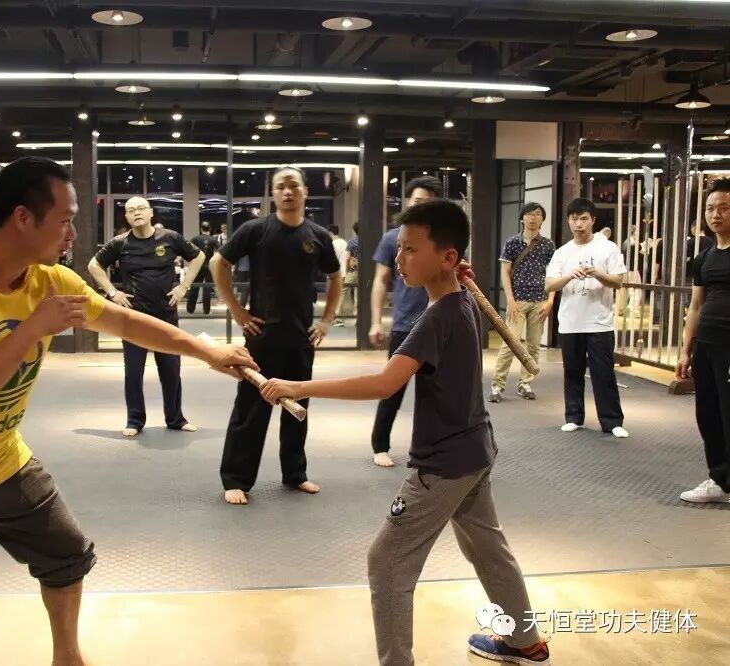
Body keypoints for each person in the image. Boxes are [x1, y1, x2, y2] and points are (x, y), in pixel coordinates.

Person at [0, 157, 255, 666]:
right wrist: (33, 328)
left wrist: (206, 351)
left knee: (66, 557)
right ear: (22, 217)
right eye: (64, 220)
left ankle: (68, 658)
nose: (72, 234)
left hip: (0, 459)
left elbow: (126, 323)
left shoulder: (52, 280)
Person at [260, 199, 548, 666]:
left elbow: (384, 384)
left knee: (387, 561)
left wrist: (298, 386)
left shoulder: (436, 318)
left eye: (411, 249)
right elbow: (448, 292)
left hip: (444, 465)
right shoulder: (464, 299)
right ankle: (525, 642)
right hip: (476, 450)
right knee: (488, 549)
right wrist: (457, 275)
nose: (399, 259)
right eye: (399, 248)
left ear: (448, 257)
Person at [210, 167, 342, 505]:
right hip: (262, 337)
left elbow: (336, 277)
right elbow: (218, 264)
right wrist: (237, 311)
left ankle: (295, 474)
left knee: (297, 409)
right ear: (273, 193)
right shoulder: (255, 230)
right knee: (250, 411)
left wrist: (326, 321)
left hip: (301, 339)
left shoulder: (318, 236)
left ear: (305, 191)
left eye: (293, 185)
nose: (287, 191)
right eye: (280, 186)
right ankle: (236, 479)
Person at [88, 197, 207, 438]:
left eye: (141, 208)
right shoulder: (120, 243)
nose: (137, 213)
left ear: (151, 213)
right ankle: (134, 420)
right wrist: (112, 293)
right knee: (133, 373)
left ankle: (176, 418)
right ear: (126, 217)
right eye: (131, 210)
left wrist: (183, 287)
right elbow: (94, 265)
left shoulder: (170, 238)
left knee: (171, 371)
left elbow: (199, 256)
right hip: (134, 319)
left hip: (166, 316)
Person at [367, 176, 441, 467]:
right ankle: (380, 445)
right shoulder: (392, 238)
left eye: (428, 203)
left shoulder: (441, 239)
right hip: (405, 327)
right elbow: (380, 280)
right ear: (408, 202)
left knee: (436, 393)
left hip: (438, 325)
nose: (422, 207)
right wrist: (376, 322)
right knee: (392, 389)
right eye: (417, 201)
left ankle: (431, 448)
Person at [545, 198, 630, 438]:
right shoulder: (562, 252)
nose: (579, 224)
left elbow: (618, 281)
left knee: (603, 373)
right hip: (570, 322)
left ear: (593, 220)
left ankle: (612, 421)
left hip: (599, 322)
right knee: (572, 372)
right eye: (574, 219)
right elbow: (549, 284)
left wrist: (597, 274)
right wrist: (569, 276)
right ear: (568, 221)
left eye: (583, 219)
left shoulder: (608, 248)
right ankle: (573, 417)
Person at [677, 178, 730, 504]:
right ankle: (719, 480)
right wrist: (686, 351)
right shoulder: (705, 257)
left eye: (724, 208)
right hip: (706, 347)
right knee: (708, 415)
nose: (716, 215)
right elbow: (695, 306)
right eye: (711, 209)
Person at [490, 203, 556, 402]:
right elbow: (505, 272)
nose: (533, 218)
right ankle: (497, 385)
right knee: (510, 344)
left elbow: (554, 274)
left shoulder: (548, 245)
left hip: (540, 301)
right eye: (529, 214)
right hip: (517, 301)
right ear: (522, 218)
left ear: (542, 219)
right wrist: (509, 299)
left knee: (533, 346)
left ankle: (525, 383)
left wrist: (550, 301)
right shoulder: (512, 242)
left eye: (537, 214)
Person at [187, 221, 220, 314]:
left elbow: (189, 251)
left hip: (197, 265)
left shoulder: (195, 239)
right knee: (207, 288)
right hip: (209, 265)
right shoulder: (213, 240)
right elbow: (219, 252)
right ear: (210, 229)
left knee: (194, 287)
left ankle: (190, 309)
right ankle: (206, 310)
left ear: (201, 229)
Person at [338, 222, 360, 325]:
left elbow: (347, 258)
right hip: (363, 272)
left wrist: (347, 270)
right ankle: (358, 318)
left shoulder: (352, 242)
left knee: (342, 292)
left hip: (352, 271)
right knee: (358, 295)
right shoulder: (366, 243)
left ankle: (338, 316)